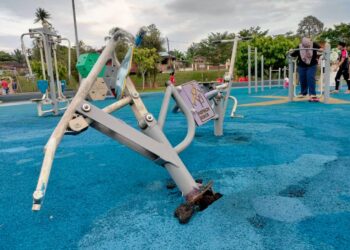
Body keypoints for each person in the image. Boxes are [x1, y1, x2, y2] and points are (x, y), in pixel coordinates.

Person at [290, 37, 321, 102]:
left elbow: (320, 48)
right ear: (302, 43)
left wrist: (321, 50)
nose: (307, 46)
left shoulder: (314, 44)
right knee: (302, 78)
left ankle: (312, 94)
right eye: (305, 45)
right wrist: (291, 51)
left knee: (310, 77)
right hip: (302, 65)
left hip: (312, 64)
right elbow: (293, 54)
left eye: (308, 44)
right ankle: (303, 92)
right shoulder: (299, 46)